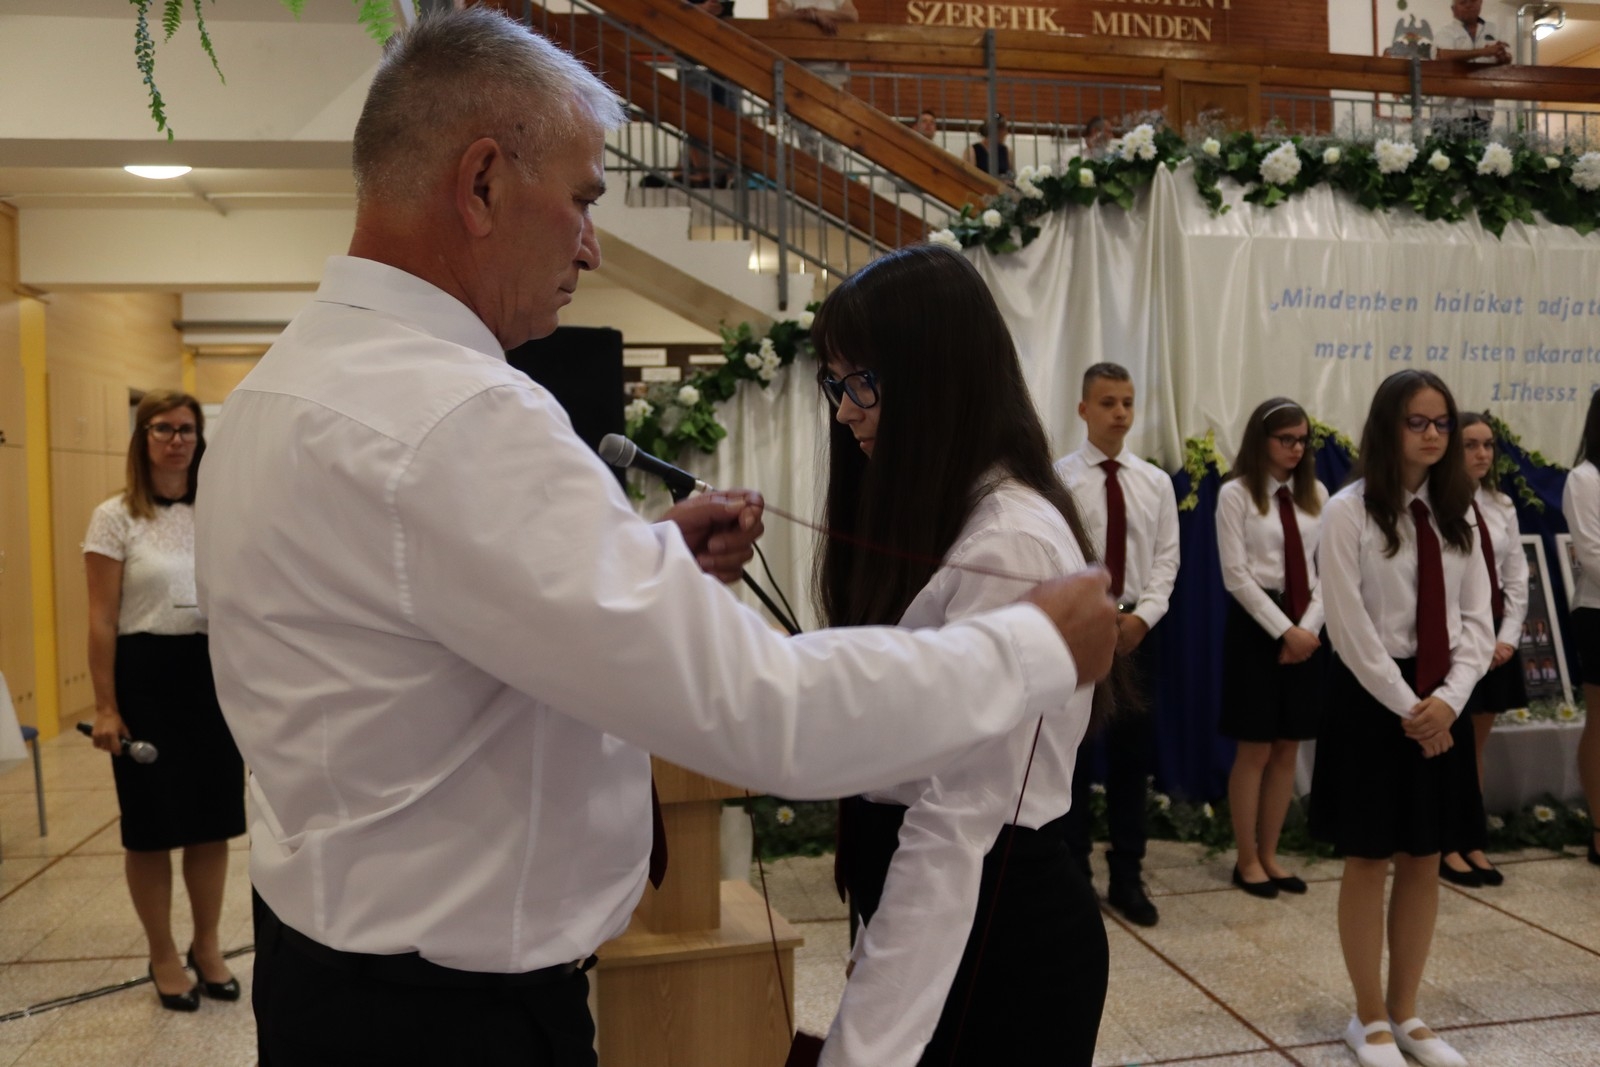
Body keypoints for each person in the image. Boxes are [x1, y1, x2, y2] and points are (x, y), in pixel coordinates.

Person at [192, 11, 1119, 1066]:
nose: (591, 244)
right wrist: (1035, 645)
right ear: (483, 182)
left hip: (322, 977)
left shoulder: (276, 392)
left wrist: (650, 554)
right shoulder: (462, 418)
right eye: (585, 199)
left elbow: (427, 634)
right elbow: (765, 713)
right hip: (453, 1022)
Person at [817, 245, 1108, 1067]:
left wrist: (866, 1040)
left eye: (863, 383)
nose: (846, 413)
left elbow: (957, 817)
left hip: (995, 922)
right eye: (835, 384)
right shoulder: (951, 515)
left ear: (936, 378)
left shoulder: (1010, 540)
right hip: (944, 903)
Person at [1312, 369, 1492, 1067]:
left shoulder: (1458, 512)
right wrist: (1413, 709)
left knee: (1425, 855)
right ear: (1388, 427)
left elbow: (1477, 621)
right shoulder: (1348, 511)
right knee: (1369, 856)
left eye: (1442, 422)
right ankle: (1368, 1017)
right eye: (1418, 422)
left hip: (1441, 696)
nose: (1433, 434)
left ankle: (1407, 1010)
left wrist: (1449, 699)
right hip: (1372, 698)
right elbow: (1349, 628)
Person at [84, 390, 244, 1013]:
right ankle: (162, 954)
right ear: (143, 437)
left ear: (200, 439)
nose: (177, 440)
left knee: (212, 824)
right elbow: (101, 619)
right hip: (144, 678)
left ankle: (208, 946)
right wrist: (106, 706)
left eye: (187, 429)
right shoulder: (114, 516)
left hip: (209, 677)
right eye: (163, 429)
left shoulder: (217, 510)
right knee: (150, 830)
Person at [1056, 363, 1180, 927]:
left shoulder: (1153, 482)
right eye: (1108, 403)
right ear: (1084, 409)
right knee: (1075, 754)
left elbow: (1166, 560)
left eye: (1128, 402)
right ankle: (1074, 873)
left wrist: (1143, 618)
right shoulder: (1060, 479)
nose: (1120, 413)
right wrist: (1089, 618)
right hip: (1081, 630)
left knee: (1133, 756)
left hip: (1136, 634)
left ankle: (1127, 872)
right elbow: (1056, 556)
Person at [1215, 398, 1328, 899]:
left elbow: (1328, 571)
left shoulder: (1317, 494)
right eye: (1286, 440)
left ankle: (1271, 854)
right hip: (1258, 623)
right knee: (1256, 748)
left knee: (1287, 747)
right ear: (1261, 441)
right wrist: (1285, 631)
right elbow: (1236, 576)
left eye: (1302, 440)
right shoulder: (1236, 494)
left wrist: (1307, 630)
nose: (1296, 449)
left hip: (1308, 625)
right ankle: (1246, 859)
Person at [1440, 412, 1528, 888]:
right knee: (1450, 744)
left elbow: (1515, 576)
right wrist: (1470, 642)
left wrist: (1506, 636)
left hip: (1494, 635)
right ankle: (1445, 843)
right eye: (1470, 445)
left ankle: (1470, 839)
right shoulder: (1440, 502)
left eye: (1488, 445)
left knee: (1475, 745)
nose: (1482, 454)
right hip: (1454, 636)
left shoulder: (1501, 505)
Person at [1433, 0, 1511, 137]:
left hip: (1483, 113)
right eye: (1463, 2)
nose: (1469, 5)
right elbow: (1443, 55)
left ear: (1480, 3)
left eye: (1473, 1)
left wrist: (1502, 56)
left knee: (1481, 150)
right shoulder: (1445, 32)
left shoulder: (1494, 30)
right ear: (1453, 9)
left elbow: (1508, 57)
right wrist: (1483, 52)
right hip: (1450, 113)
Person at [964, 113, 1012, 179]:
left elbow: (1011, 175)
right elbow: (969, 177)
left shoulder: (1006, 151)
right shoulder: (972, 151)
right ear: (996, 131)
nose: (1006, 133)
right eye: (1004, 129)